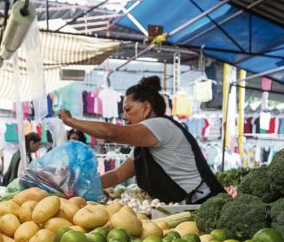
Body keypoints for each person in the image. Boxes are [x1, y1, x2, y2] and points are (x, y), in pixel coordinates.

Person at [58, 76, 224, 203]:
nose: (124, 117)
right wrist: (80, 188)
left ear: (146, 108)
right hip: (187, 205)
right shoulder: (143, 145)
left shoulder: (160, 125)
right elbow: (117, 176)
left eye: (128, 110)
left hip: (206, 202)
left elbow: (110, 132)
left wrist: (70, 121)